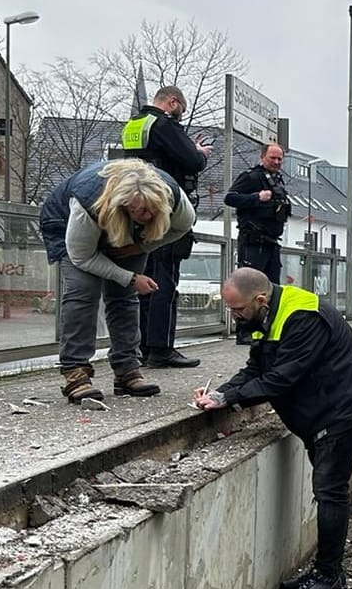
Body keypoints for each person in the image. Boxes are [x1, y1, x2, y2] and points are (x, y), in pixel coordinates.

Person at [194, 267, 352, 589]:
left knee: (329, 491)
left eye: (237, 310)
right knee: (328, 490)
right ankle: (325, 571)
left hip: (340, 407)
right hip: (322, 407)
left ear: (260, 299)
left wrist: (231, 398)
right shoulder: (266, 317)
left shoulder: (302, 317)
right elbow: (256, 368)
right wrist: (221, 393)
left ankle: (329, 575)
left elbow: (280, 379)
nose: (234, 318)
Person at [40, 159, 196, 404]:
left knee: (123, 298)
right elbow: (82, 256)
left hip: (123, 231)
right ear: (125, 205)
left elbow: (181, 228)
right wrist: (131, 277)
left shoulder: (175, 201)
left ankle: (127, 370)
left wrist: (142, 245)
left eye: (153, 212)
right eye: (140, 211)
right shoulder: (88, 201)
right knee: (83, 292)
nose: (147, 217)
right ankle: (75, 372)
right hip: (68, 225)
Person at [122, 85, 212, 368]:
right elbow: (192, 162)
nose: (181, 117)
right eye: (181, 110)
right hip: (164, 210)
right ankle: (161, 349)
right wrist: (200, 152)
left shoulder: (134, 125)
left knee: (145, 281)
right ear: (173, 103)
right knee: (165, 281)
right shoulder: (164, 125)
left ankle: (143, 348)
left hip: (138, 210)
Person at [224, 142, 291, 284]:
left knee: (272, 289)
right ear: (262, 157)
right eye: (272, 158)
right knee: (250, 287)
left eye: (279, 159)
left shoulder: (277, 182)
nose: (276, 162)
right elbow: (230, 198)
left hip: (272, 244)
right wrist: (256, 197)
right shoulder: (251, 177)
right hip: (253, 244)